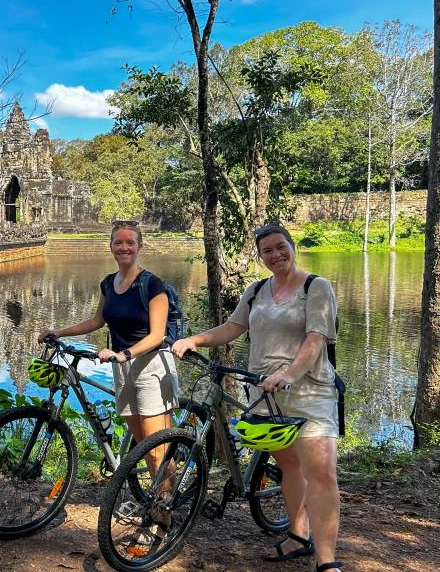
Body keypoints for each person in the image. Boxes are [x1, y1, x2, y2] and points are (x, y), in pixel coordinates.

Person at [171, 223, 341, 572]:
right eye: (268, 250)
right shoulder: (257, 290)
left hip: (309, 392)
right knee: (289, 465)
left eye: (281, 247)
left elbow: (315, 339)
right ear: (261, 256)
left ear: (292, 246)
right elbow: (233, 328)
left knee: (321, 473)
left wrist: (289, 374)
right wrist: (195, 340)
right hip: (263, 393)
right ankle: (297, 535)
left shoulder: (316, 288)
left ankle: (327, 562)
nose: (276, 255)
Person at [38, 220, 179, 513]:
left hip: (152, 367)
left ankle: (163, 516)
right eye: (119, 242)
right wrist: (58, 332)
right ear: (111, 246)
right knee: (143, 447)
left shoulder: (152, 284)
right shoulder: (108, 283)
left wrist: (124, 354)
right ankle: (159, 497)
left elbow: (157, 335)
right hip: (123, 368)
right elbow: (96, 321)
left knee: (157, 451)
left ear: (140, 246)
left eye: (130, 242)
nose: (124, 247)